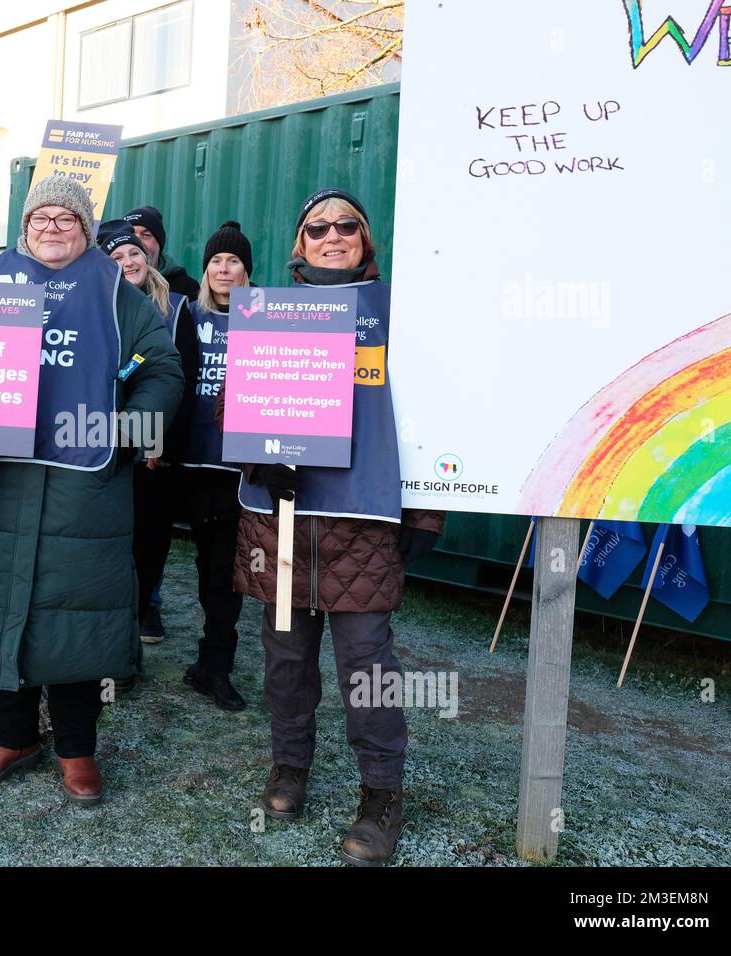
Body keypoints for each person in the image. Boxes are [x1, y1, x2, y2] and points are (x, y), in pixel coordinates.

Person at [0, 176, 183, 806]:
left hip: (85, 480)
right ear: (25, 227)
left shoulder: (116, 291)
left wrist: (131, 431)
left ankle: (78, 750)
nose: (53, 226)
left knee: (75, 617)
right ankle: (12, 736)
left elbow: (161, 368)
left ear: (84, 226)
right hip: (1, 476)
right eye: (40, 216)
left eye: (66, 217)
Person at [220, 187, 444, 866]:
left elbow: (428, 412)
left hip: (364, 522)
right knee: (286, 660)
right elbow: (240, 402)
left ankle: (381, 796)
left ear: (365, 239)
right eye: (318, 227)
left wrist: (426, 511)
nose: (333, 235)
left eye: (348, 225)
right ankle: (289, 767)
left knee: (366, 665)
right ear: (300, 243)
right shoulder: (265, 312)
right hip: (281, 522)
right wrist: (264, 464)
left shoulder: (397, 312)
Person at [95, 220, 199, 648]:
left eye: (133, 253)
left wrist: (154, 441)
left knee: (150, 535)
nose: (128, 261)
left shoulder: (175, 307)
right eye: (116, 257)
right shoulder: (98, 307)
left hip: (153, 447)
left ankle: (144, 608)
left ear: (148, 257)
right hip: (104, 442)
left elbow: (182, 380)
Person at [173, 221, 252, 711]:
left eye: (233, 261)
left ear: (247, 270)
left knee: (226, 569)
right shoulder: (188, 312)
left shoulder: (264, 317)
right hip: (192, 458)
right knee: (201, 564)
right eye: (216, 262)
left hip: (238, 465)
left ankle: (216, 663)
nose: (224, 269)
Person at [124, 205, 200, 300]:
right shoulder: (109, 286)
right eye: (130, 235)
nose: (138, 241)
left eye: (146, 235)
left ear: (159, 244)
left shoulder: (185, 289)